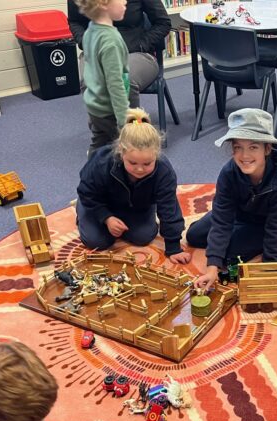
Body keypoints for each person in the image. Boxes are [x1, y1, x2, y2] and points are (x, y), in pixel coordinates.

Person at [187, 108, 277, 291]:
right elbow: (222, 220)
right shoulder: (229, 173)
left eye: (253, 147)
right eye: (238, 147)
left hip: (266, 221)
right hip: (240, 212)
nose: (245, 156)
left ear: (267, 148)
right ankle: (239, 231)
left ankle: (255, 236)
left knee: (229, 257)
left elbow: (276, 228)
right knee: (194, 235)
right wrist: (212, 268)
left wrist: (269, 269)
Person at [76, 108, 190, 263]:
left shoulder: (164, 171)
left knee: (143, 237)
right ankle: (82, 212)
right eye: (133, 163)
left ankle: (130, 220)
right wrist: (106, 217)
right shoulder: (101, 162)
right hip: (100, 203)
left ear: (157, 155)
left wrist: (173, 248)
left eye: (147, 163)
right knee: (97, 241)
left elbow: (169, 208)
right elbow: (86, 192)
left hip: (137, 207)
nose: (140, 169)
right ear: (121, 152)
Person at [68, 0, 171, 109]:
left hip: (136, 53)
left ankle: (128, 119)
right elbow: (75, 22)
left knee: (123, 80)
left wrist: (141, 45)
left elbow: (163, 22)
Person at [73, 0, 131, 155]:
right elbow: (115, 83)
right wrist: (124, 120)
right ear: (104, 4)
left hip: (95, 105)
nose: (125, 1)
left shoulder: (91, 30)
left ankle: (92, 165)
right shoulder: (110, 41)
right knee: (121, 151)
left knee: (99, 145)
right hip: (109, 110)